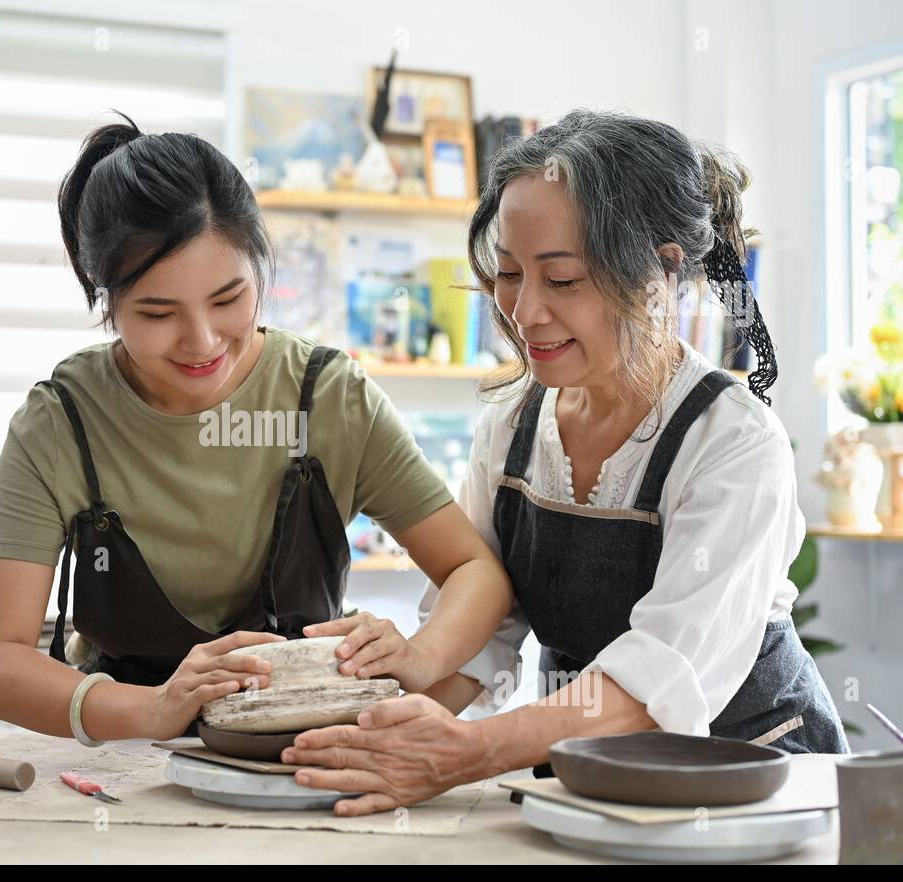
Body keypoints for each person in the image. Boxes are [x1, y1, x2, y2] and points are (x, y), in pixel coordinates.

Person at [283, 109, 850, 816]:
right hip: (595, 782)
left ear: (661, 273)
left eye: (563, 279)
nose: (523, 311)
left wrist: (469, 752)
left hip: (751, 788)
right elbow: (481, 633)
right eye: (510, 274)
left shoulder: (733, 445)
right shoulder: (513, 427)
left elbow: (657, 680)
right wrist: (361, 718)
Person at [0, 113, 512, 745]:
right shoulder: (60, 423)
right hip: (126, 757)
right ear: (104, 299)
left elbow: (476, 570)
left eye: (228, 300)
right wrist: (152, 709)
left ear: (261, 272)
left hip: (302, 753)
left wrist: (424, 655)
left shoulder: (330, 400)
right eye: (157, 312)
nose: (201, 342)